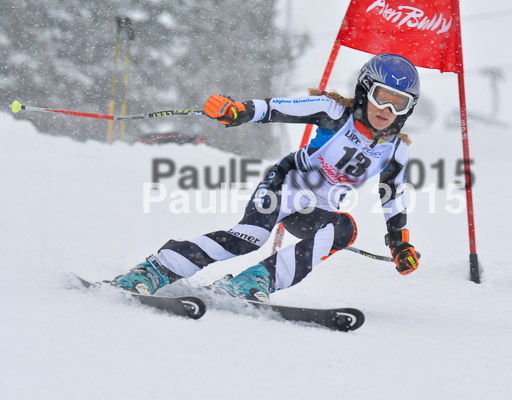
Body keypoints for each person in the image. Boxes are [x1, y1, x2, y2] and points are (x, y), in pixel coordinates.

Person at [112, 53, 421, 301]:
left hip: (314, 211)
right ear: (365, 90)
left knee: (344, 227)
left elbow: (392, 197)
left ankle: (259, 279)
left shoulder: (395, 151)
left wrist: (399, 243)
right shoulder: (333, 112)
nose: (386, 109)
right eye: (382, 96)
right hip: (284, 185)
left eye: (399, 103)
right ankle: (157, 268)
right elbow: (276, 108)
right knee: (248, 239)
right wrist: (237, 111)